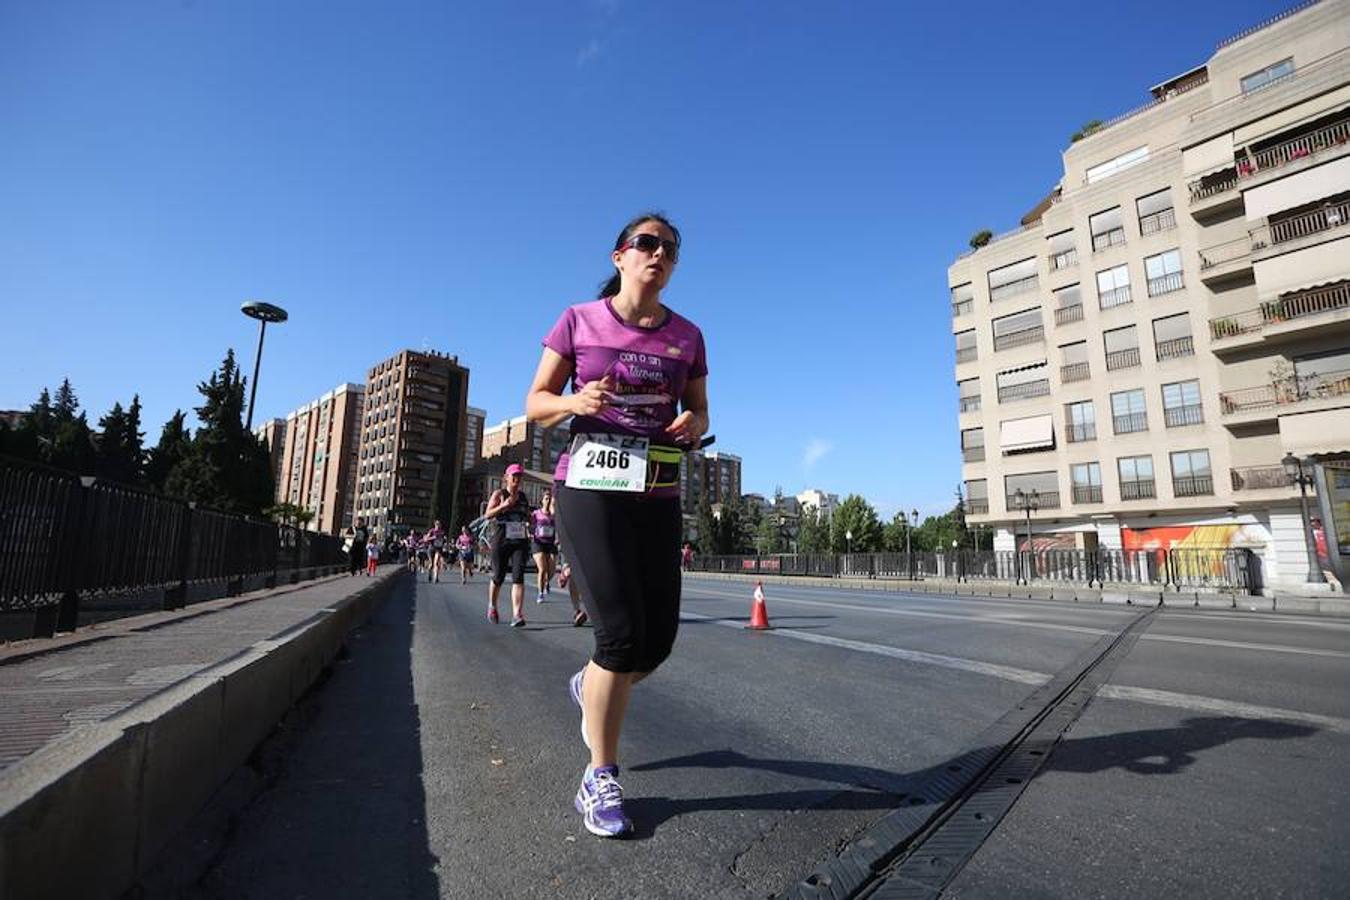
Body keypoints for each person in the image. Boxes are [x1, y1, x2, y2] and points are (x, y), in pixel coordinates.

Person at [525, 212, 708, 838]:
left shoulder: (688, 336)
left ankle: (590, 682)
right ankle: (599, 776)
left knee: (657, 643)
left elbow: (700, 409)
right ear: (620, 256)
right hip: (590, 490)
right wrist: (574, 401)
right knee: (622, 638)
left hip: (657, 492)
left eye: (670, 248)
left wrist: (694, 425)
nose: (659, 253)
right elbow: (536, 403)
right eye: (647, 244)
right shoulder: (578, 320)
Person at [483, 463, 533, 626]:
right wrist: (503, 506)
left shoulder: (524, 497)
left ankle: (517, 614)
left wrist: (530, 521)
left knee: (518, 576)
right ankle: (492, 605)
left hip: (519, 540)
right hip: (501, 539)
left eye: (519, 477)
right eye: (514, 477)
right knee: (498, 576)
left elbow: (528, 516)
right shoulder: (499, 494)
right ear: (506, 478)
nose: (517, 480)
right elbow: (487, 515)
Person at [531, 490, 559, 604]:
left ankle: (547, 582)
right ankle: (540, 593)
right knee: (542, 569)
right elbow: (530, 526)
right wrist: (530, 533)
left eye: (550, 498)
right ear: (542, 501)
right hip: (538, 543)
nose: (548, 501)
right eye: (546, 498)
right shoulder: (536, 514)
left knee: (551, 570)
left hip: (551, 543)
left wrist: (558, 538)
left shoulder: (554, 516)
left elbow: (559, 529)